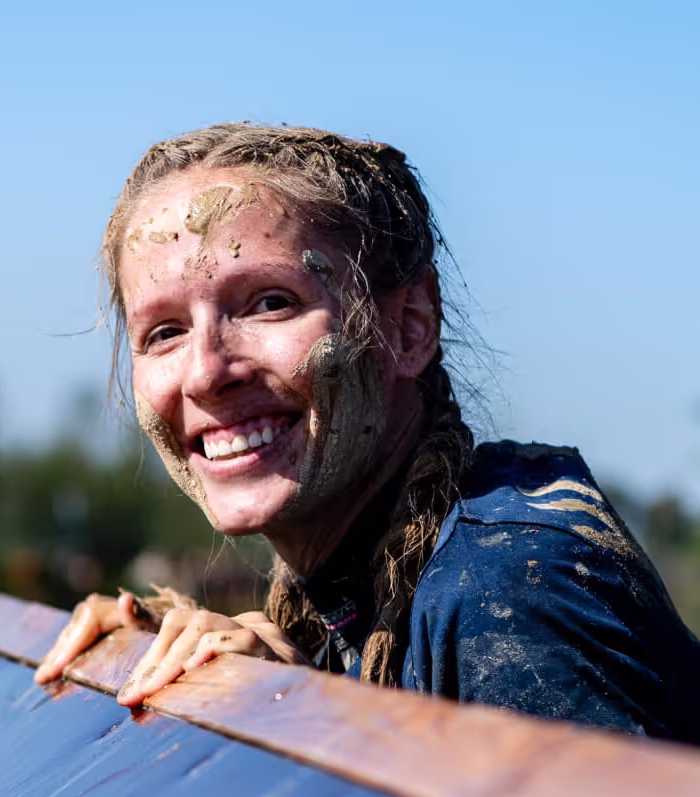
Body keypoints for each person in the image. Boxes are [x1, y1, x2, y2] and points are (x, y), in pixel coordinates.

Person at [35, 123, 700, 744]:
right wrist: (207, 670)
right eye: (165, 332)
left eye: (271, 302)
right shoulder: (348, 598)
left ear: (409, 328)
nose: (206, 373)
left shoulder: (509, 593)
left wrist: (301, 724)